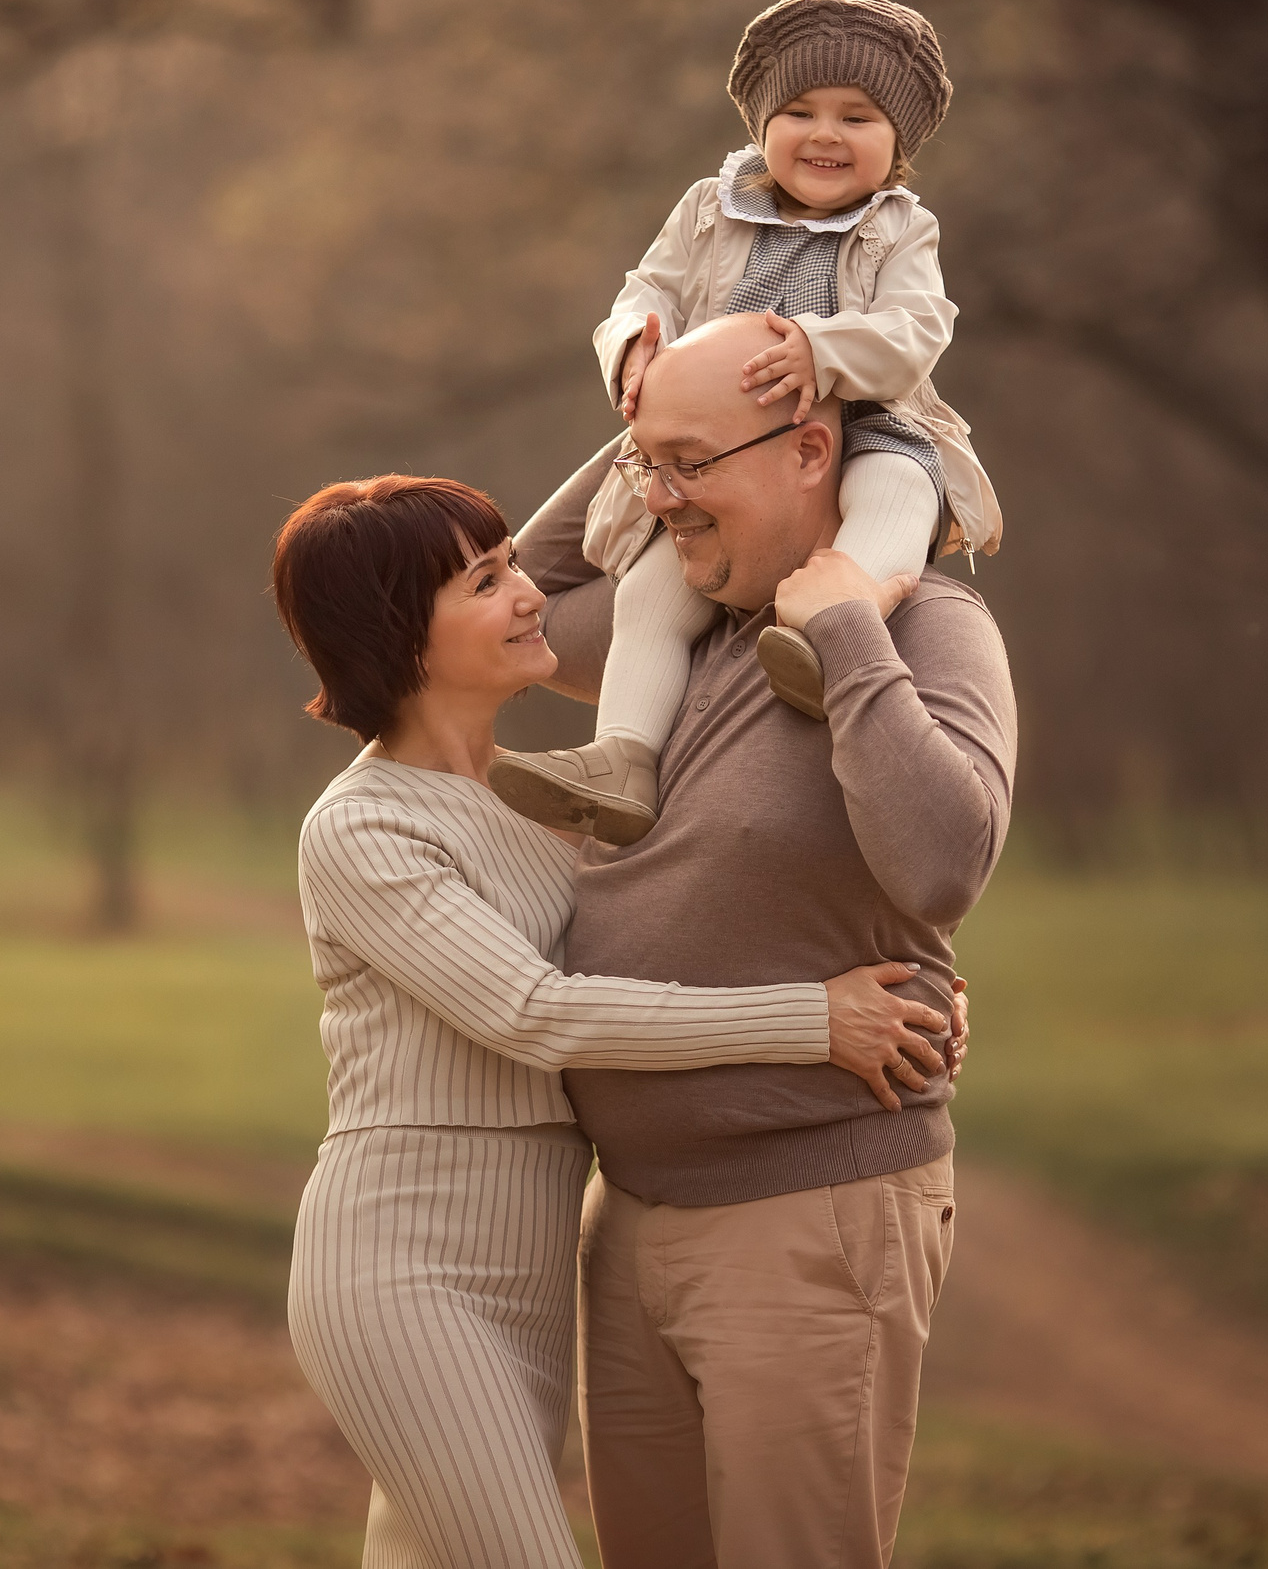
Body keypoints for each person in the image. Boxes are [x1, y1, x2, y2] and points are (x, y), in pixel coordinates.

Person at [269, 474, 960, 1569]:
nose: (530, 593)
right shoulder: (362, 827)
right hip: (403, 1272)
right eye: (484, 582)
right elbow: (534, 1012)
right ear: (397, 634)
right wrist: (813, 1019)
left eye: (509, 563)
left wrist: (664, 395)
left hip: (536, 1269)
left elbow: (676, 929)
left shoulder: (555, 802)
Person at [520, 314, 1017, 1567]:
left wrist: (846, 624)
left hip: (808, 1216)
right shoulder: (675, 620)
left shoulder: (930, 629)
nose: (660, 502)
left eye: (693, 466)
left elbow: (944, 865)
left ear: (809, 449)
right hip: (627, 1219)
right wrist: (650, 406)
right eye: (649, 469)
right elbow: (524, 592)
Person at [491, 0, 1004, 846]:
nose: (825, 134)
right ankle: (624, 755)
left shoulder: (900, 228)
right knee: (654, 591)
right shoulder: (709, 209)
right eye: (799, 112)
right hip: (722, 449)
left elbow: (918, 330)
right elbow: (645, 292)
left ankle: (836, 630)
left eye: (858, 117)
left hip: (866, 420)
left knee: (895, 496)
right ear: (762, 124)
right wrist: (635, 348)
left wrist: (821, 350)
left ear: (898, 143)